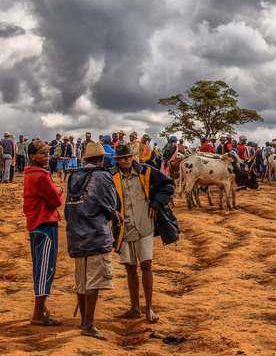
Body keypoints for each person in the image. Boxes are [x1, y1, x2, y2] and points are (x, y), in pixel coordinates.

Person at [109, 144, 175, 322]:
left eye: (129, 156)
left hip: (144, 225)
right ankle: (134, 308)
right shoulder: (111, 176)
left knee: (146, 265)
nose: (127, 160)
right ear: (117, 160)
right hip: (123, 228)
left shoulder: (146, 171)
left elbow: (168, 184)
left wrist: (156, 204)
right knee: (130, 268)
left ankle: (149, 307)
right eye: (123, 158)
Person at [65, 142, 124, 340]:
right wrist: (114, 213)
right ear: (101, 159)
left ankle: (84, 320)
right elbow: (110, 203)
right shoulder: (103, 176)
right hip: (96, 235)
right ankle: (89, 325)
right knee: (93, 281)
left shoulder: (74, 176)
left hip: (77, 235)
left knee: (81, 281)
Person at [23, 140, 63, 326]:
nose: (46, 156)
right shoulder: (40, 176)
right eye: (42, 153)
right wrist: (59, 190)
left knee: (40, 265)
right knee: (45, 268)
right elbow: (55, 201)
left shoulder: (31, 173)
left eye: (47, 153)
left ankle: (42, 309)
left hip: (35, 224)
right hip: (45, 223)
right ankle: (38, 313)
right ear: (32, 156)